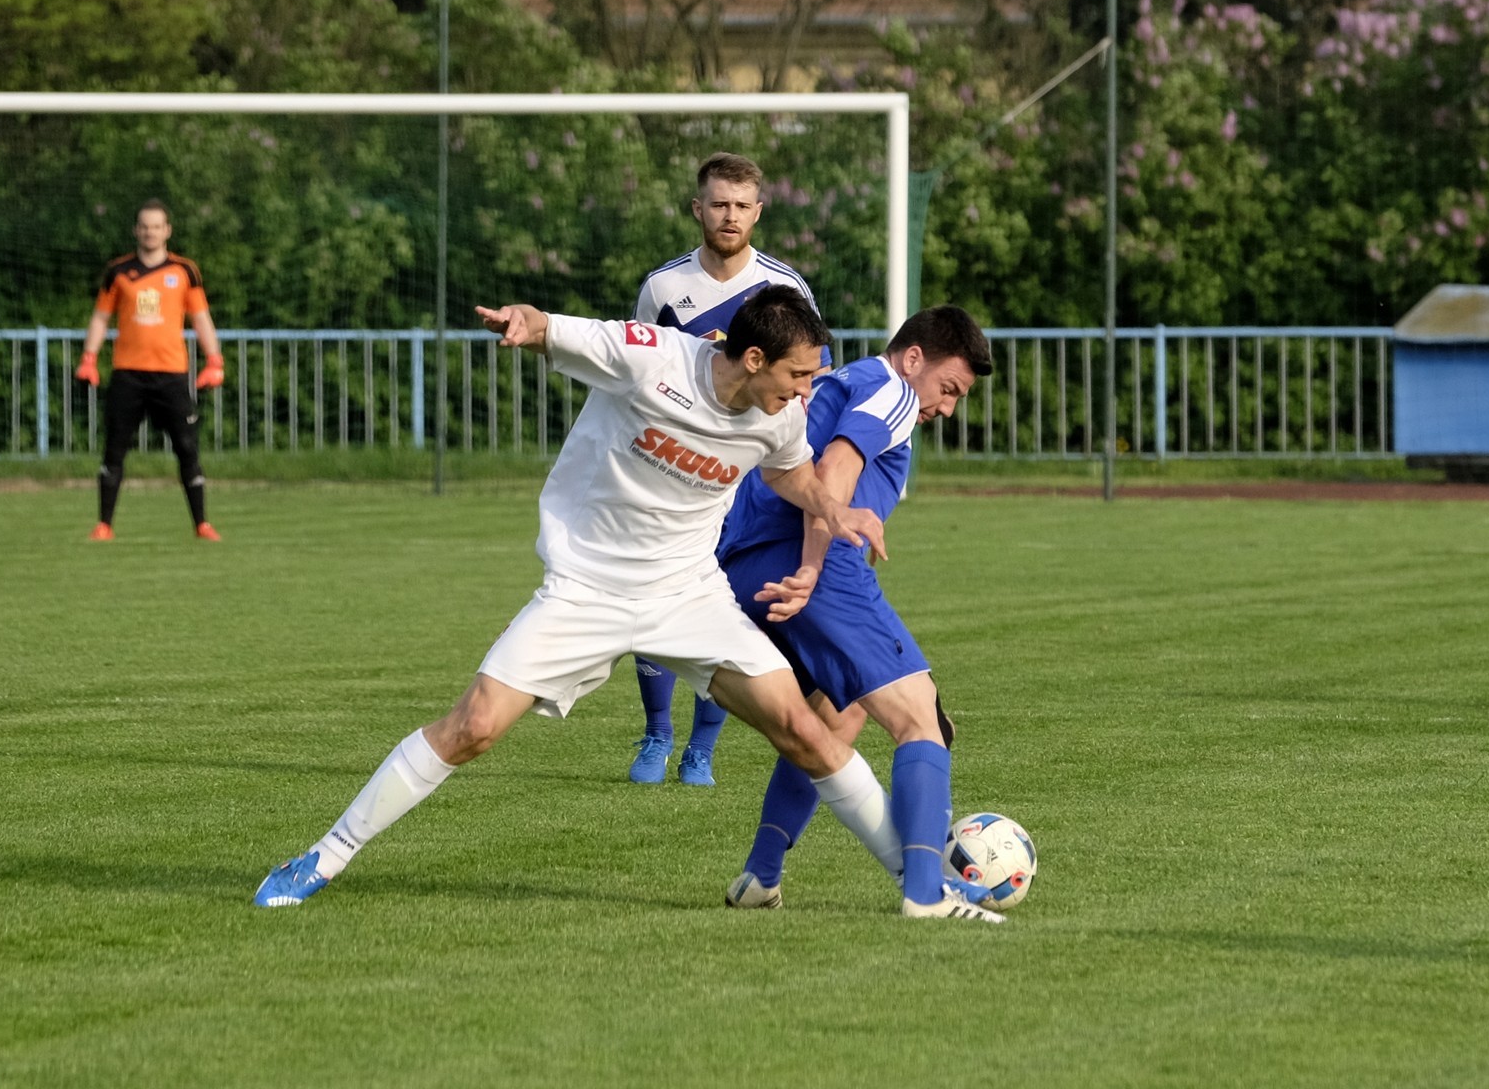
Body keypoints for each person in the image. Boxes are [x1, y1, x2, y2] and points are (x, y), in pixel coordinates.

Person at [253, 286, 998, 919]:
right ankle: (325, 855)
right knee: (473, 726)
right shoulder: (653, 359)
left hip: (689, 593)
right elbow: (558, 331)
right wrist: (527, 325)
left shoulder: (782, 416)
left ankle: (922, 892)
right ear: (752, 358)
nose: (809, 391)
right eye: (798, 375)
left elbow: (793, 475)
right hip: (587, 589)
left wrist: (836, 509)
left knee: (805, 729)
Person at [717, 305, 995, 915]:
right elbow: (835, 471)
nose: (948, 408)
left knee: (834, 717)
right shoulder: (893, 391)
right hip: (807, 565)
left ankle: (761, 875)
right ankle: (927, 894)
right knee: (921, 718)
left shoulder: (837, 381)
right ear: (914, 358)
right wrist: (813, 567)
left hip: (741, 568)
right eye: (949, 388)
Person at [625, 151, 829, 789]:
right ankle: (657, 733)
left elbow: (810, 378)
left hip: (747, 476)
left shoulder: (785, 289)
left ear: (759, 212)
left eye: (742, 205)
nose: (729, 216)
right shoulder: (663, 288)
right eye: (718, 204)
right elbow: (639, 370)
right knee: (652, 594)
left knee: (723, 605)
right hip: (670, 471)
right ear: (698, 208)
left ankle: (701, 749)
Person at [74, 199, 226, 542]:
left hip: (171, 374)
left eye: (156, 226)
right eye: (144, 226)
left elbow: (200, 317)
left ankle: (202, 524)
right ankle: (104, 525)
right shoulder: (118, 271)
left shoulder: (185, 271)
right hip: (128, 374)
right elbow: (101, 317)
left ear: (167, 231)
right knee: (114, 448)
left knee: (187, 447)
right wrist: (89, 358)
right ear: (136, 230)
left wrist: (214, 360)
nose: (150, 232)